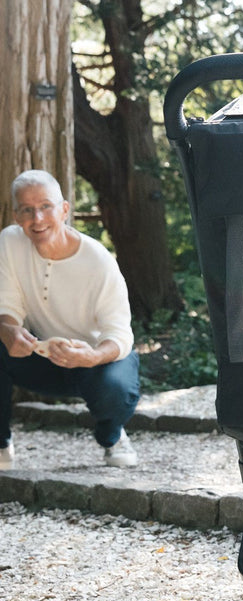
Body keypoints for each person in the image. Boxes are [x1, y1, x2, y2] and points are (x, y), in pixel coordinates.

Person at [0, 170, 139, 469]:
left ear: (64, 209)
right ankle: (1, 446)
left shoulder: (98, 260)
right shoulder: (10, 242)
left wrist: (91, 357)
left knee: (116, 387)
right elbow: (7, 305)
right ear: (16, 215)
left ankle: (112, 435)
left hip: (97, 361)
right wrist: (8, 330)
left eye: (45, 206)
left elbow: (120, 335)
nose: (37, 218)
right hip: (43, 356)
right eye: (27, 209)